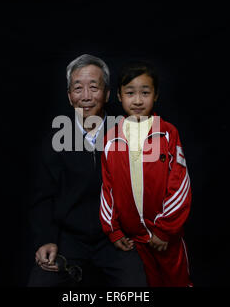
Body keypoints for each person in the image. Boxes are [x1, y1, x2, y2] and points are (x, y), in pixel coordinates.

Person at [28, 54, 147, 287]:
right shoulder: (54, 139)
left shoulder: (129, 132)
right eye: (77, 88)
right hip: (68, 240)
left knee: (137, 285)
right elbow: (42, 197)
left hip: (117, 238)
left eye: (94, 87)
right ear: (69, 95)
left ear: (107, 93)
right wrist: (45, 240)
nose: (85, 97)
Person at [99, 61, 193, 286]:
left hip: (166, 236)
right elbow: (107, 188)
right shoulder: (111, 138)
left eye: (145, 93)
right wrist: (114, 231)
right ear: (120, 97)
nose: (138, 100)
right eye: (130, 93)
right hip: (135, 239)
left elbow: (180, 184)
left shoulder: (168, 133)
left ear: (156, 95)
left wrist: (164, 230)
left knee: (177, 281)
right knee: (147, 285)